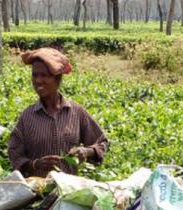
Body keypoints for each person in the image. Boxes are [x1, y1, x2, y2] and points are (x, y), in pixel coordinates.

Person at [8, 47, 109, 178]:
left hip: (68, 192)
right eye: (35, 75)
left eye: (44, 75)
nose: (38, 80)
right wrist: (35, 164)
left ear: (57, 79)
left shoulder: (76, 112)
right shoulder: (27, 116)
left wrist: (86, 151)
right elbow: (14, 155)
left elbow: (102, 142)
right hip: (37, 194)